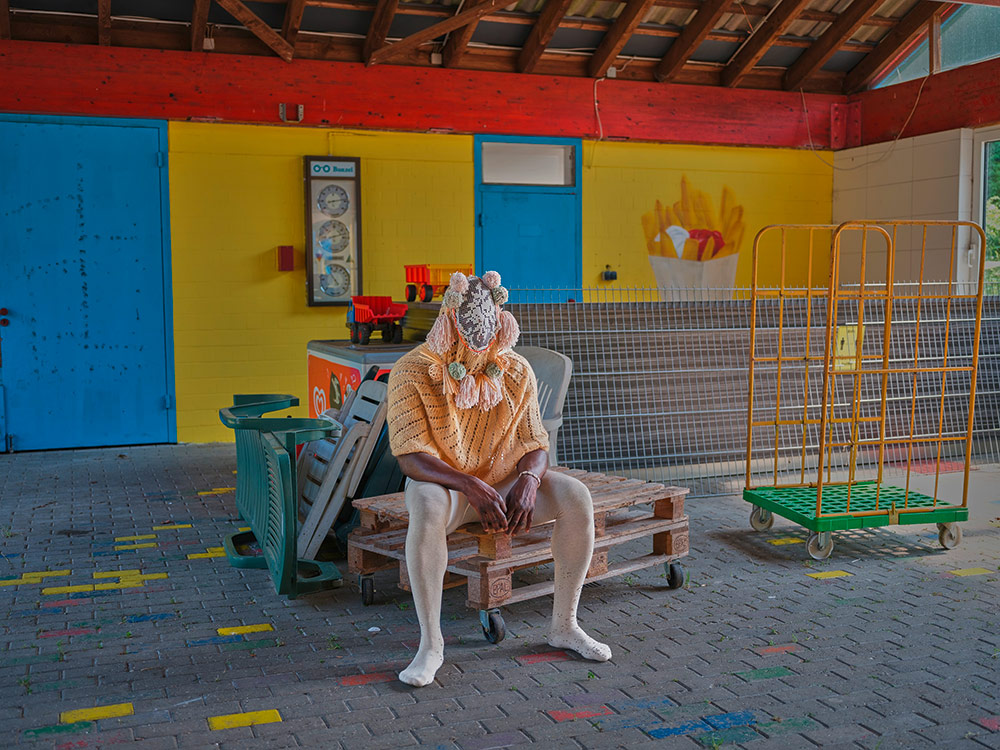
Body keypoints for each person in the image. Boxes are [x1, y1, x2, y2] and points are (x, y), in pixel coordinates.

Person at [386, 270, 611, 687]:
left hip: (504, 483)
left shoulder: (515, 369)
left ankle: (565, 626)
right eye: (468, 331)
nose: (480, 342)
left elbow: (535, 442)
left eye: (488, 331)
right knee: (426, 502)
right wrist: (470, 485)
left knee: (576, 496)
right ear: (449, 320)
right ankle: (430, 645)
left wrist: (529, 479)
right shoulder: (412, 370)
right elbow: (410, 457)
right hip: (448, 489)